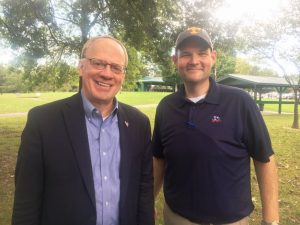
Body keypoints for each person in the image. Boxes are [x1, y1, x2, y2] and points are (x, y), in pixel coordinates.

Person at [12, 35, 154, 225]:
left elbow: (143, 194)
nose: (107, 73)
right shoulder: (43, 122)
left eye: (116, 67)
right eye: (98, 63)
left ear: (123, 76)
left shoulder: (139, 124)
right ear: (81, 67)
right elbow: (26, 202)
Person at [152, 27, 279, 225]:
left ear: (213, 57)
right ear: (175, 61)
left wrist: (271, 220)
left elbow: (265, 158)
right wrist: (147, 202)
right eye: (185, 54)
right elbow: (158, 159)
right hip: (177, 217)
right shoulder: (166, 107)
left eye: (202, 53)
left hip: (231, 220)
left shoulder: (240, 102)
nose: (194, 61)